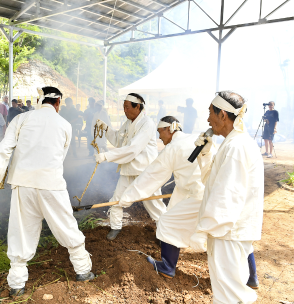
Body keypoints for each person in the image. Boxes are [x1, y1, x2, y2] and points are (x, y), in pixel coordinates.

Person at [0, 86, 94, 297]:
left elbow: (4, 148)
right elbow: (61, 156)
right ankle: (83, 270)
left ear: (40, 101)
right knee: (66, 226)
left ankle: (17, 284)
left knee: (21, 231)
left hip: (23, 183)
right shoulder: (65, 125)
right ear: (58, 103)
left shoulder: (21, 119)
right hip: (51, 184)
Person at [190, 91, 263, 303]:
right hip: (228, 230)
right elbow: (212, 181)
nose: (207, 119)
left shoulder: (236, 147)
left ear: (223, 115)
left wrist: (202, 229)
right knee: (227, 290)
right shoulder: (233, 143)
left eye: (210, 113)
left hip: (228, 231)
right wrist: (205, 152)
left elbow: (226, 195)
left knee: (229, 293)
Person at [119, 116, 204, 278]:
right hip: (210, 192)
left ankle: (166, 266)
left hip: (196, 195)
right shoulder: (196, 139)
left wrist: (127, 197)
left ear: (169, 129)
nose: (159, 137)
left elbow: (151, 176)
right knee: (228, 231)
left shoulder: (173, 148)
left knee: (167, 222)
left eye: (160, 132)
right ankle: (251, 276)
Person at [94, 93, 166, 241]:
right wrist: (106, 129)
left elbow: (133, 149)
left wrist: (106, 156)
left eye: (127, 107)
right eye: (124, 108)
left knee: (154, 204)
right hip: (129, 170)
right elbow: (119, 141)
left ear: (137, 107)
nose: (125, 111)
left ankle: (165, 232)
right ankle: (115, 227)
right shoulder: (128, 123)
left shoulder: (147, 124)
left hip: (145, 172)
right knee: (116, 200)